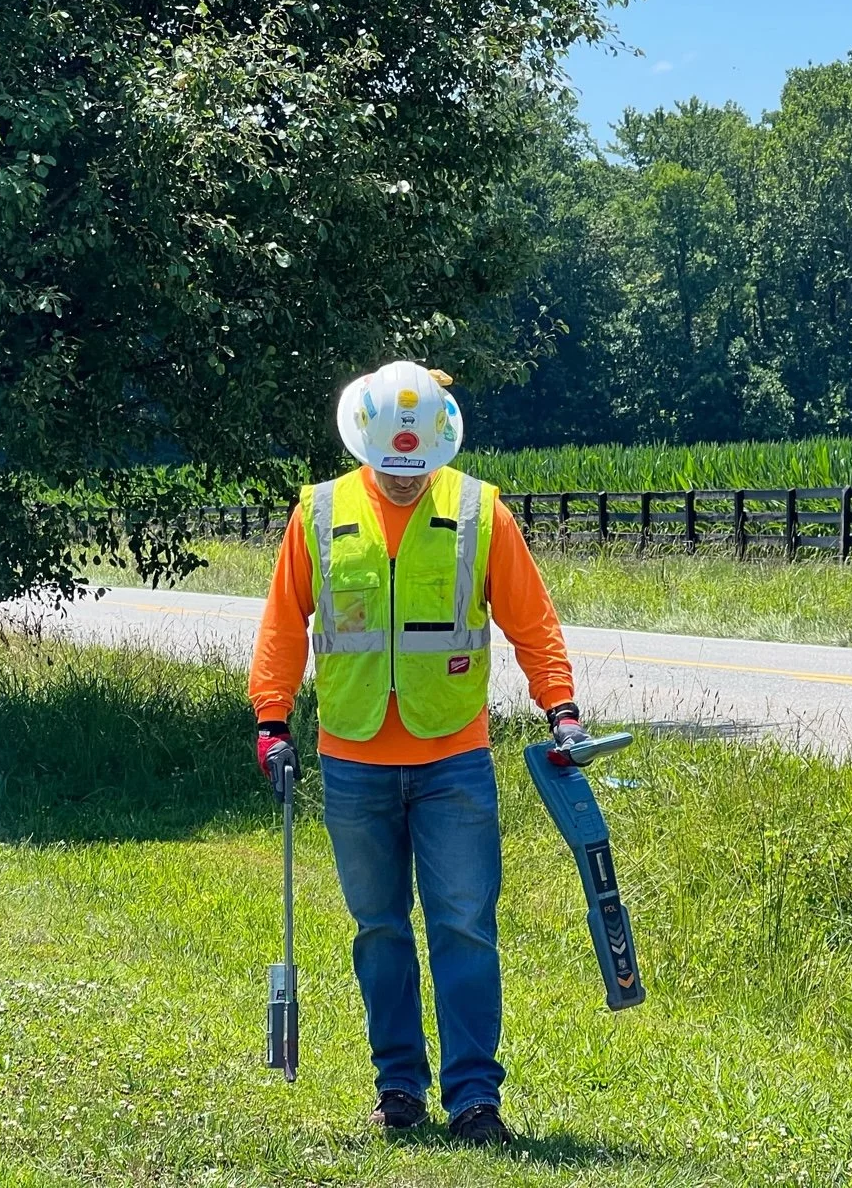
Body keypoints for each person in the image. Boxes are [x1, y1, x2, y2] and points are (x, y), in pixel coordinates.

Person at [248, 360, 589, 1148]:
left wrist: (560, 708)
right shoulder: (320, 512)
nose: (405, 483)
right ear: (365, 442)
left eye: (418, 471)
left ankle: (475, 1099)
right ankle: (397, 1087)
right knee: (378, 929)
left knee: (465, 925)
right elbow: (281, 623)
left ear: (440, 445)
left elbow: (533, 623)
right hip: (354, 756)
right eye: (392, 471)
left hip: (453, 757)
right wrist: (272, 718)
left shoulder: (480, 512)